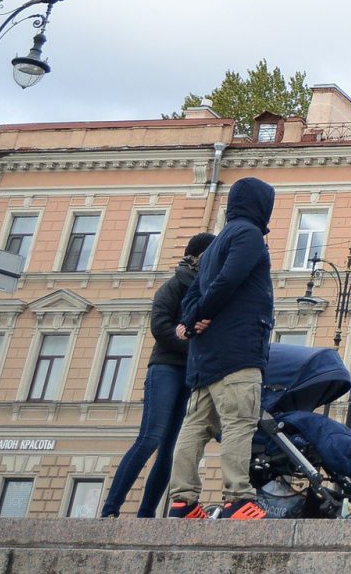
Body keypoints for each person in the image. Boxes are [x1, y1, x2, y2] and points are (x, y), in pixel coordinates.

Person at [167, 179, 276, 520]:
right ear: (261, 205)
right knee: (240, 422)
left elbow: (194, 294)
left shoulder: (213, 246)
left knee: (196, 426)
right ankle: (237, 498)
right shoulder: (249, 236)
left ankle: (182, 501)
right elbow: (229, 280)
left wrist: (190, 319)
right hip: (238, 351)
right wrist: (200, 314)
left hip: (206, 357)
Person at [102, 231, 215, 517]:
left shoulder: (208, 289)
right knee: (150, 438)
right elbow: (160, 327)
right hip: (164, 368)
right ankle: (110, 510)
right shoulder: (174, 285)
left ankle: (146, 515)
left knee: (170, 450)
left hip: (189, 374)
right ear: (197, 256)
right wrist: (190, 339)